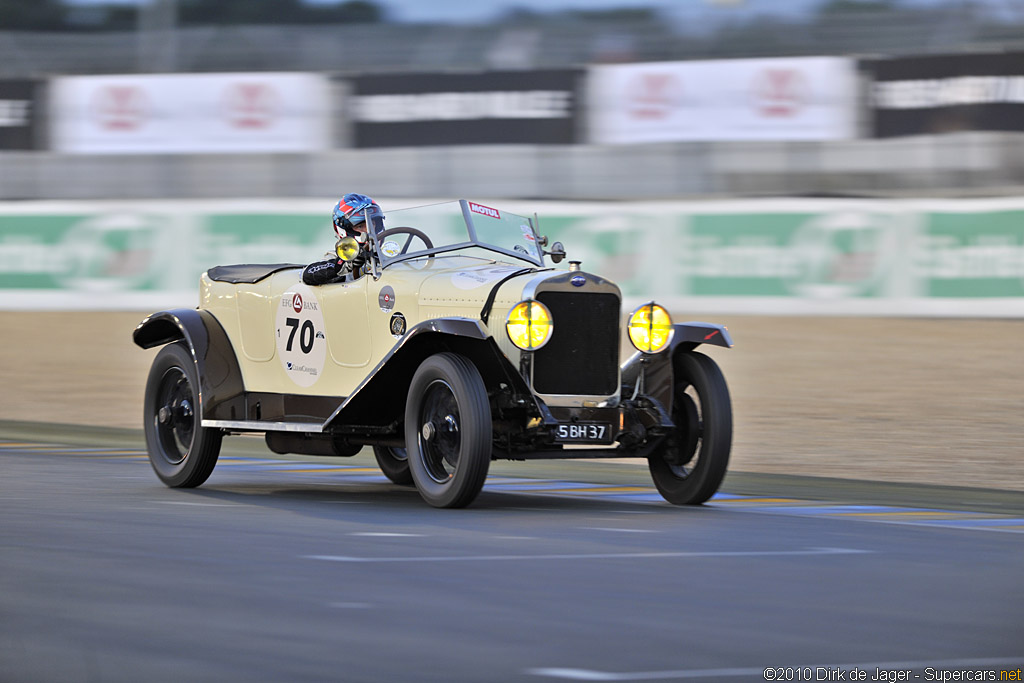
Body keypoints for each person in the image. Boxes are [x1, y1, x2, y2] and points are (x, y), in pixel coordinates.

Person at [302, 193, 385, 286]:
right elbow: (308, 274)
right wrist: (346, 264)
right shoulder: (334, 259)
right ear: (344, 230)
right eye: (360, 226)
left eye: (372, 224)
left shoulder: (386, 256)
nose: (368, 231)